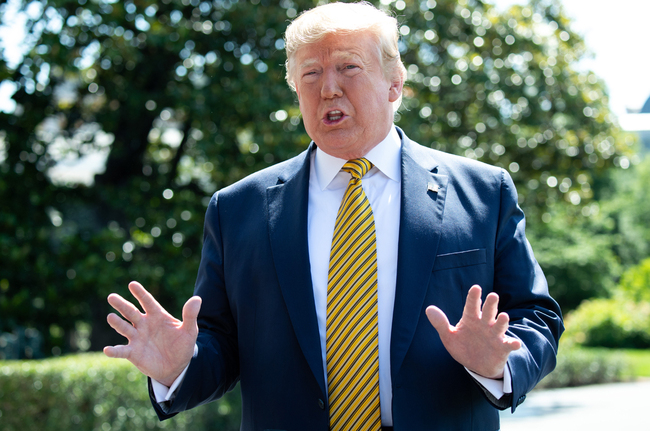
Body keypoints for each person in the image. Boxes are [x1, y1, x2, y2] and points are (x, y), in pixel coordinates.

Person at [103, 2, 563, 430]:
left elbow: (536, 316)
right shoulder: (237, 208)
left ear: (394, 83)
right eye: (310, 73)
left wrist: (500, 362)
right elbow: (221, 345)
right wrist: (180, 367)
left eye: (348, 67)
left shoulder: (483, 191)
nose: (328, 87)